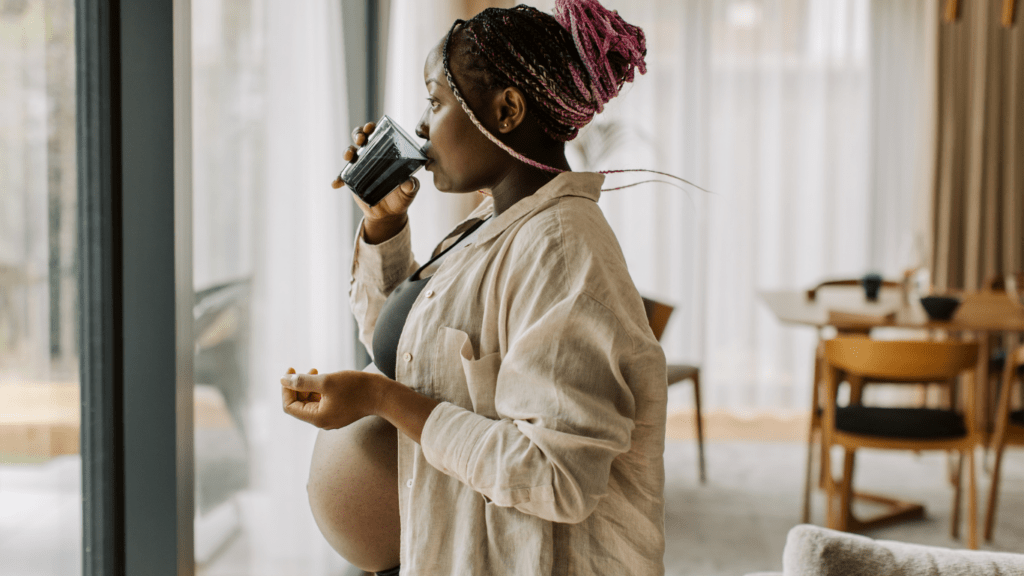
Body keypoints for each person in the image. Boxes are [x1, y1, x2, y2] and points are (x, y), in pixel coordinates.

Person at [282, 2, 668, 574]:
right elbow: (408, 354)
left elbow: (557, 478)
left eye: (435, 101)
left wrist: (381, 401)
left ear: (507, 109)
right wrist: (384, 225)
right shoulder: (492, 223)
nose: (418, 126)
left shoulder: (561, 251)